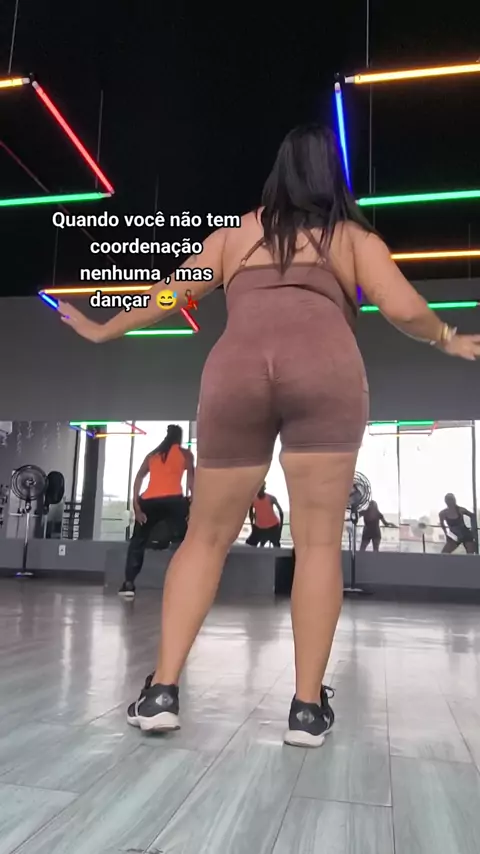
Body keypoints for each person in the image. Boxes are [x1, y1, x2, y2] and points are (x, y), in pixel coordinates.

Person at [57, 123, 480, 748]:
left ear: (277, 174)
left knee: (205, 538)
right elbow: (402, 307)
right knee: (317, 545)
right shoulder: (351, 237)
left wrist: (102, 329)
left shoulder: (234, 235)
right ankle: (306, 709)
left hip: (236, 374)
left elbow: (170, 294)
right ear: (332, 176)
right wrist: (447, 338)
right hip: (326, 371)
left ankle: (161, 692)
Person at [118, 425, 194, 598]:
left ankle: (128, 584)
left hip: (149, 502)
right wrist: (192, 506)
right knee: (185, 539)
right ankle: (186, 583)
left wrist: (136, 505)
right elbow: (191, 482)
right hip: (174, 501)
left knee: (137, 541)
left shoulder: (152, 455)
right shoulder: (185, 454)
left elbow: (139, 477)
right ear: (179, 438)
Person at [246, 482, 284, 547]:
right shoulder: (253, 499)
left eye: (261, 487)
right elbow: (251, 513)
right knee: (249, 545)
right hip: (259, 528)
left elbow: (281, 512)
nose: (260, 489)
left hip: (273, 527)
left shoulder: (271, 498)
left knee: (276, 547)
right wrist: (253, 526)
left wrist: (280, 529)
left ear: (264, 488)